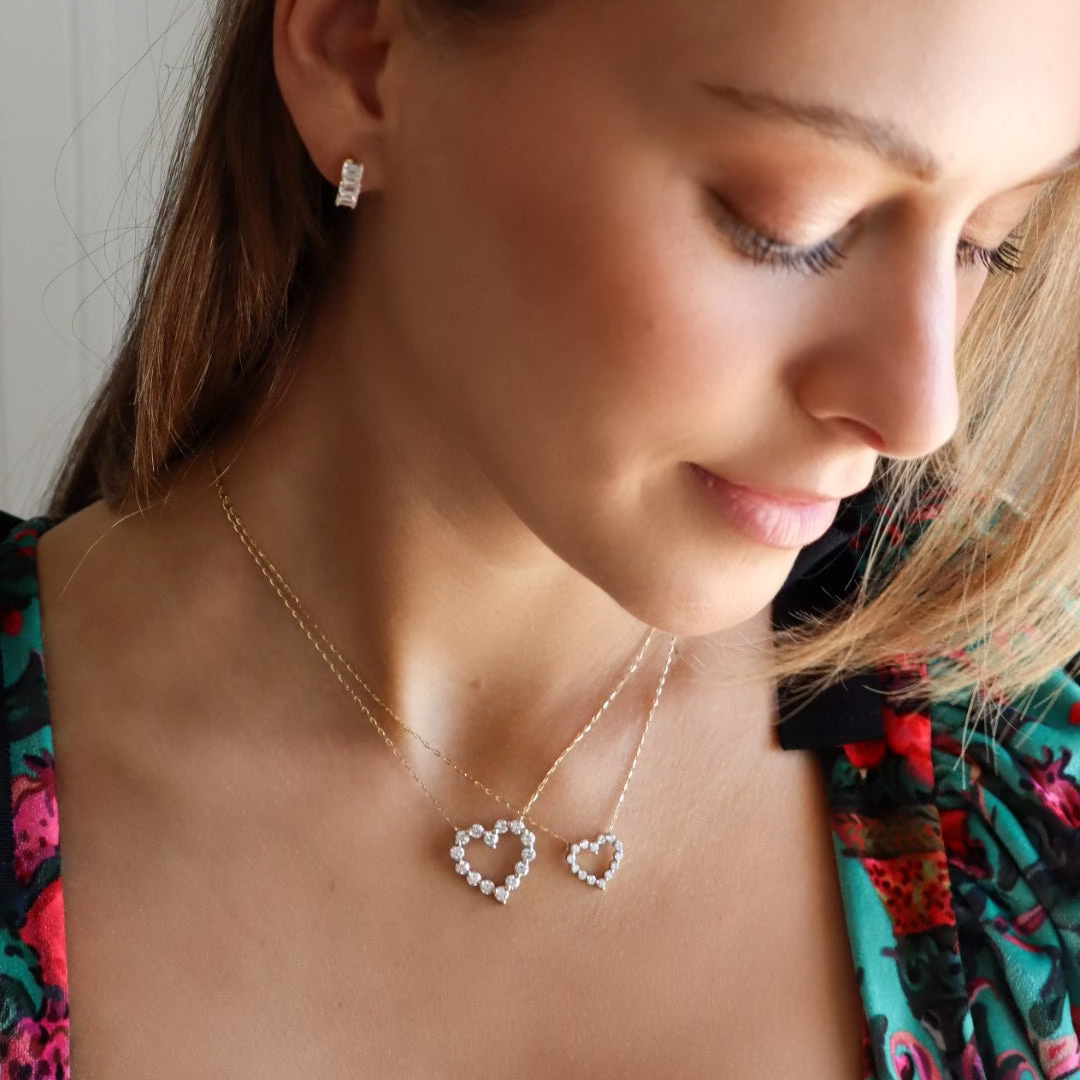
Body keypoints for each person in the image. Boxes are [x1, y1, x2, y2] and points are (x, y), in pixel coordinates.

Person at [2, 0, 1080, 1075]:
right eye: (789, 223)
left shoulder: (1021, 744)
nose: (919, 411)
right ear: (360, 55)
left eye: (988, 245)